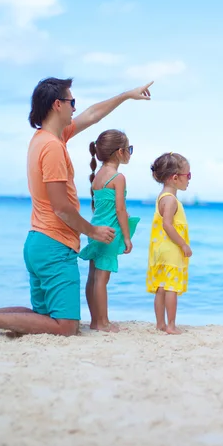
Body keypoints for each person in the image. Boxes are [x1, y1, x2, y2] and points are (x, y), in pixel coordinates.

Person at [0, 78, 153, 338]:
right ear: (58, 104)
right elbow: (61, 208)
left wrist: (126, 95)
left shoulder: (46, 138)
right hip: (54, 245)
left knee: (44, 317)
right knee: (66, 326)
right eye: (72, 102)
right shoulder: (53, 147)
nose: (76, 109)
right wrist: (93, 231)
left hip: (38, 242)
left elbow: (92, 115)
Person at [79, 129, 140, 332]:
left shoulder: (98, 176)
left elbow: (106, 206)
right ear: (120, 152)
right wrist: (128, 237)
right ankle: (102, 322)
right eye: (129, 149)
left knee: (93, 277)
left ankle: (95, 320)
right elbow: (120, 209)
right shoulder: (118, 177)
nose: (130, 152)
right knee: (102, 279)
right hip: (110, 234)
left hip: (95, 230)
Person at [146, 152, 192, 335]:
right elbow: (167, 225)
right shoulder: (170, 200)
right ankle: (171, 325)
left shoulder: (162, 196)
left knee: (161, 287)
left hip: (159, 249)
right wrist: (183, 245)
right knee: (171, 287)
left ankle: (160, 324)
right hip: (170, 248)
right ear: (175, 178)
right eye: (188, 176)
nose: (189, 180)